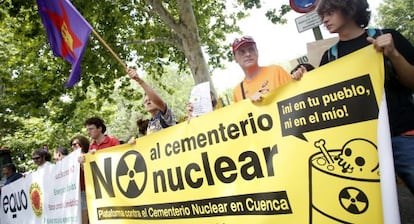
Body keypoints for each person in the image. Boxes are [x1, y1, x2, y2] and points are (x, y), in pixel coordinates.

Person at [316, 0, 414, 195]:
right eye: (322, 15)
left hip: (403, 135)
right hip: (361, 147)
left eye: (330, 12)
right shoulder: (329, 57)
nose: (324, 20)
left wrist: (393, 54)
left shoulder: (388, 37)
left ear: (349, 8)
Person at [232, 36, 303, 103]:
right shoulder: (238, 91)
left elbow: (296, 96)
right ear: (235, 58)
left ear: (257, 51)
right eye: (242, 52)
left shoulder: (276, 71)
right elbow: (242, 114)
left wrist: (301, 79)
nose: (248, 54)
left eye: (251, 49)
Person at [127, 68, 176, 135]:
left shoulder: (166, 115)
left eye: (150, 99)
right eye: (145, 101)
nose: (148, 102)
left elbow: (158, 101)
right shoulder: (150, 125)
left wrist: (140, 81)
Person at [70, 135, 90, 224]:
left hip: (85, 191)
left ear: (83, 144)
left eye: (75, 144)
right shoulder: (71, 160)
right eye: (72, 145)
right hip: (75, 192)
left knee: (84, 217)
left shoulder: (88, 156)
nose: (73, 147)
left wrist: (83, 164)